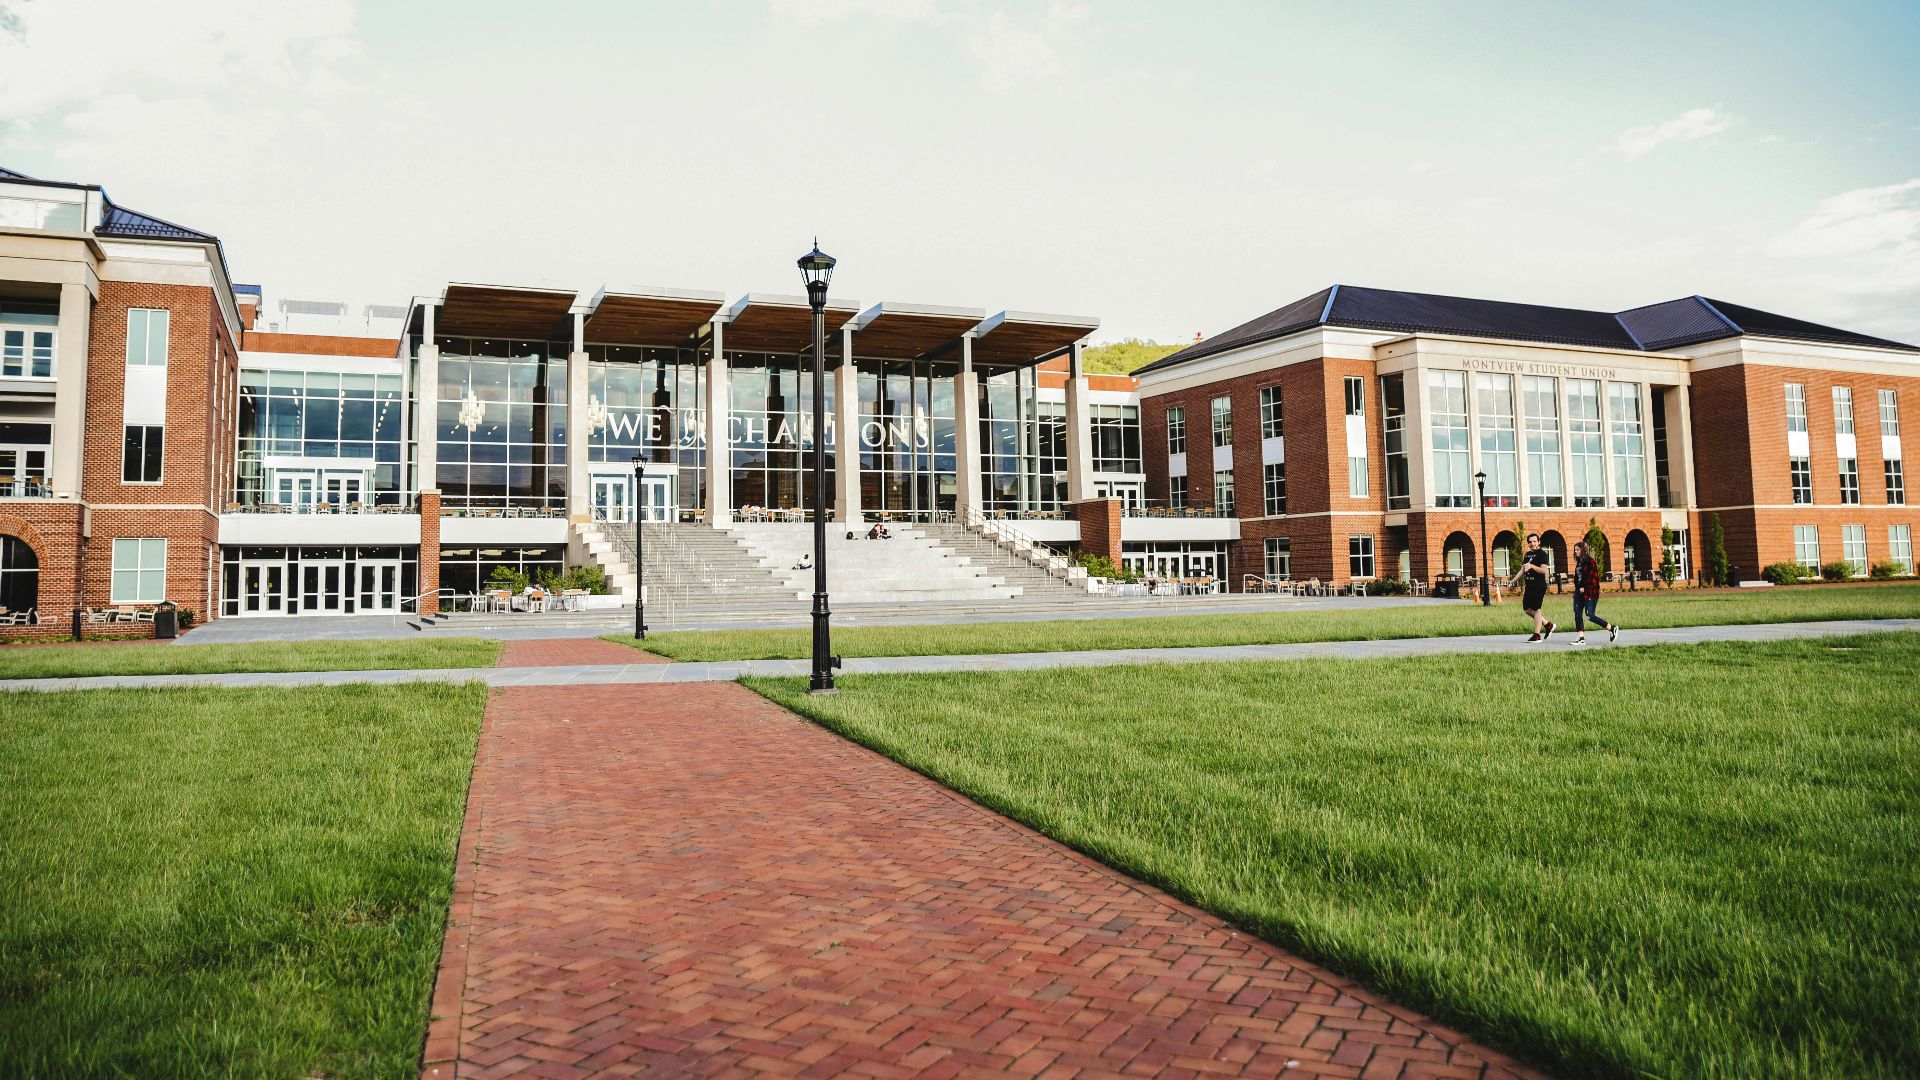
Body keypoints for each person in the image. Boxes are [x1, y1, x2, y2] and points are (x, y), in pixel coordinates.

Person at [1569, 539, 1620, 644]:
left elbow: (1593, 578)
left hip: (1590, 592)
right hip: (1579, 592)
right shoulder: (1579, 563)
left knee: (1590, 616)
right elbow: (1577, 578)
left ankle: (1611, 628)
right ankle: (1581, 638)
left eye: (1577, 550)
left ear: (1583, 550)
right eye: (1575, 550)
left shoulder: (1590, 562)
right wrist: (1578, 588)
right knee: (1577, 613)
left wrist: (1585, 588)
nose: (1576, 552)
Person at [1511, 532, 1556, 642]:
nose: (1532, 544)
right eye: (1530, 542)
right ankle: (1547, 625)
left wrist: (1531, 566)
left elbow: (1544, 570)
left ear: (1539, 542)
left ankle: (1537, 635)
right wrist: (1512, 581)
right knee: (1527, 609)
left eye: (1534, 541)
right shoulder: (1527, 555)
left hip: (1538, 585)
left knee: (1536, 609)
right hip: (1529, 585)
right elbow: (1522, 570)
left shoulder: (1543, 554)